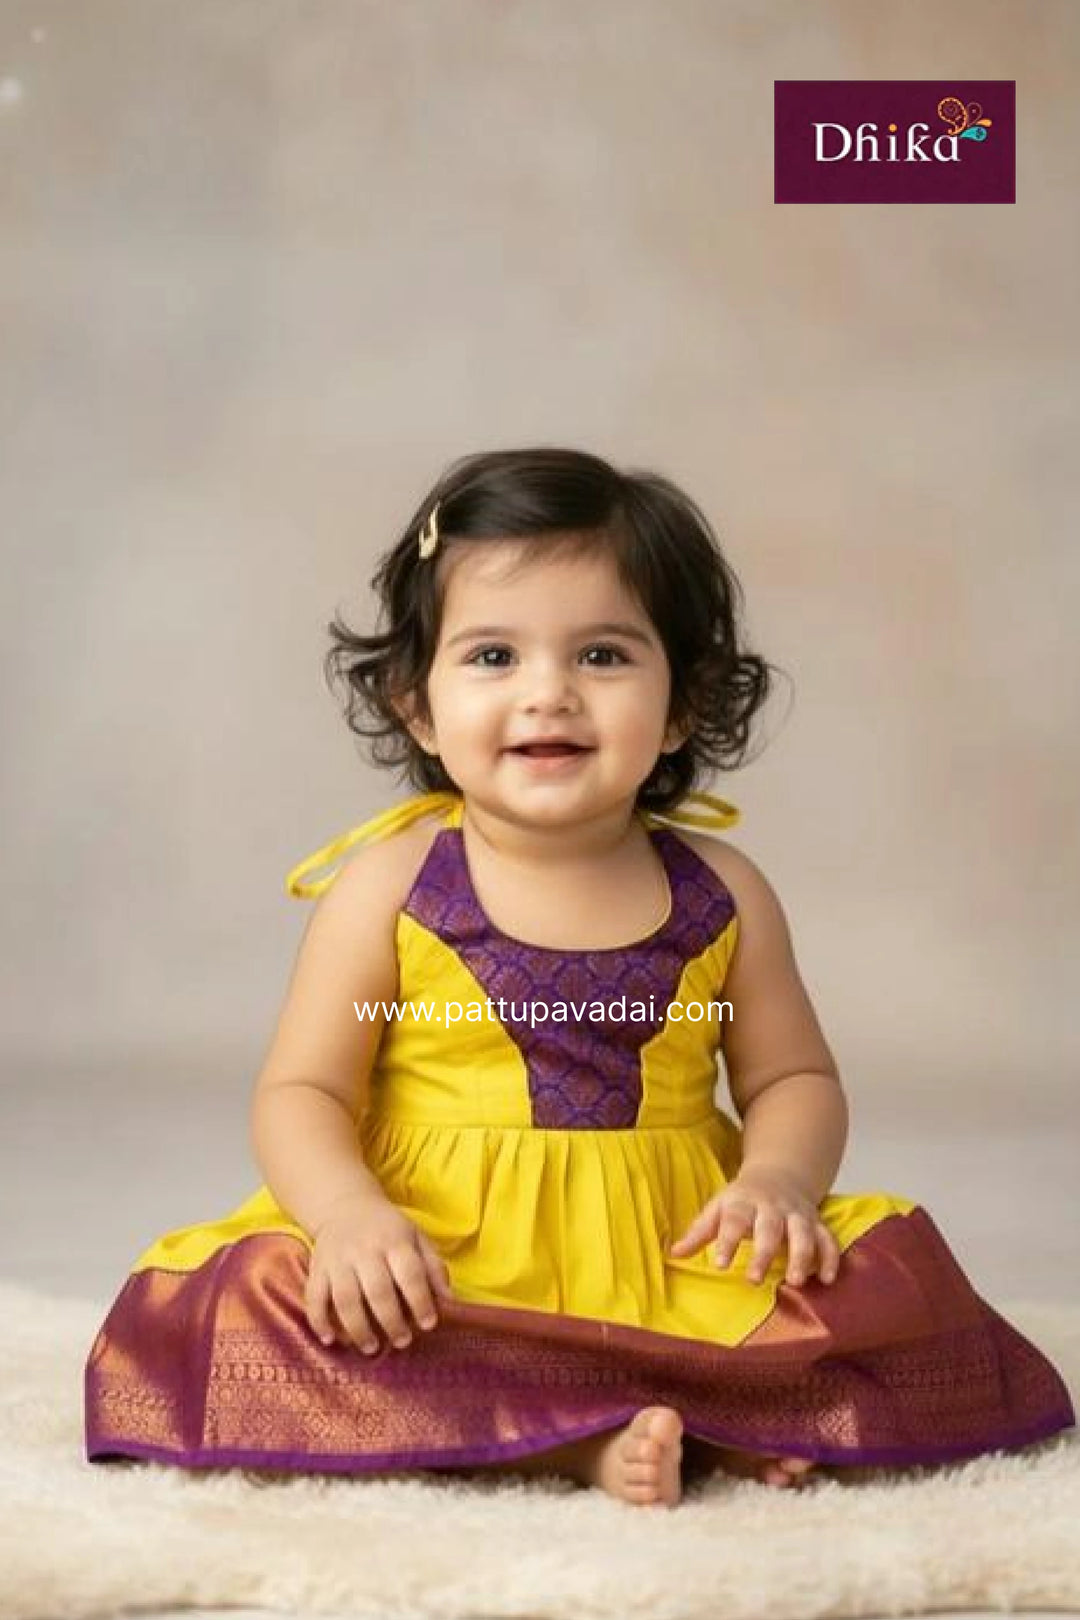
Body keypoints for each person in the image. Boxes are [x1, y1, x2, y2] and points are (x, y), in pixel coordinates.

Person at [84, 447, 1074, 1508]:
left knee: (887, 1274)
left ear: (685, 702)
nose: (547, 693)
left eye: (602, 655)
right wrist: (347, 1218)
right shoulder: (393, 887)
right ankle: (579, 1443)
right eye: (494, 656)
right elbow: (303, 1093)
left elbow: (794, 1080)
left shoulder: (723, 892)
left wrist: (777, 1184)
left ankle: (692, 1402)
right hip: (448, 1256)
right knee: (265, 1302)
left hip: (668, 1248)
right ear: (417, 706)